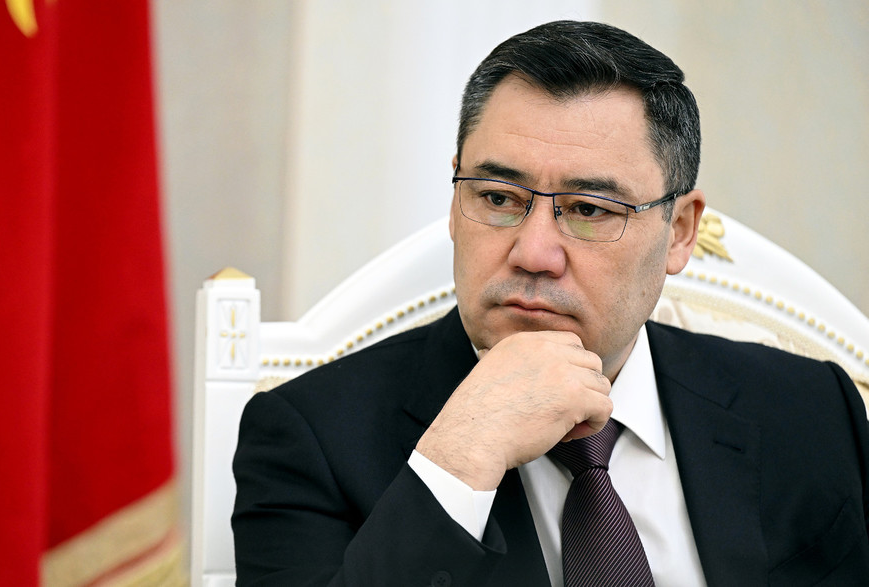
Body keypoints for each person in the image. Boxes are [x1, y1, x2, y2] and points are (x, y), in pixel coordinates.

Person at [231, 20, 869, 586]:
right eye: (498, 198)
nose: (533, 253)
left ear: (678, 232)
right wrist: (462, 456)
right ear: (456, 202)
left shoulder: (813, 411)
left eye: (589, 209)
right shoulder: (307, 438)